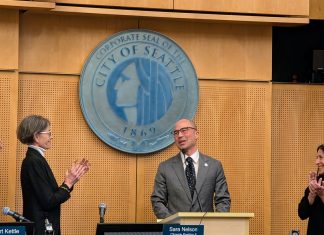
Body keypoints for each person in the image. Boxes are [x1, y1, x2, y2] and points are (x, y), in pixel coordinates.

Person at [17, 115, 90, 235]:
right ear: (36, 136)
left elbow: (50, 196)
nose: (52, 137)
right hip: (41, 229)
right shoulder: (33, 161)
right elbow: (49, 202)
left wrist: (69, 182)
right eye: (49, 133)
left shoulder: (36, 159)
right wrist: (68, 183)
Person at [151, 118, 231, 219]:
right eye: (176, 132)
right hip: (177, 231)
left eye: (184, 130)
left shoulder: (214, 166)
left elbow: (223, 200)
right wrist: (173, 223)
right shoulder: (165, 167)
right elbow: (157, 201)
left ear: (196, 134)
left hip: (206, 230)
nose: (180, 135)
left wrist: (215, 224)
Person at [298, 144, 324, 235]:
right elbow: (302, 214)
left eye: (320, 157)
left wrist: (322, 196)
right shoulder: (315, 184)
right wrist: (311, 196)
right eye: (316, 157)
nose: (317, 162)